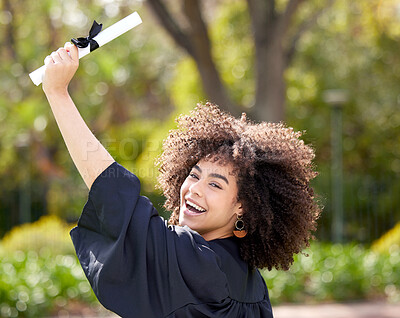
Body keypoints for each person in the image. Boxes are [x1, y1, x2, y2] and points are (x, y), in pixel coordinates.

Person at [42, 42, 320, 318]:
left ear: (243, 207)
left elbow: (115, 194)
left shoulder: (199, 264)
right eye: (194, 175)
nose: (194, 189)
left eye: (215, 184)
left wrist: (58, 93)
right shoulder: (250, 282)